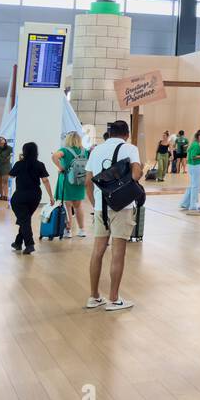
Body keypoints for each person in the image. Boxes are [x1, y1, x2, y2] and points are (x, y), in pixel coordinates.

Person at [85, 120, 144, 312]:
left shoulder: (96, 150)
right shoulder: (130, 148)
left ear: (109, 133)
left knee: (98, 251)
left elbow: (87, 181)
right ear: (127, 133)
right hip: (122, 206)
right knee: (118, 252)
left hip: (101, 207)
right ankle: (113, 298)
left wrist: (95, 205)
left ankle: (94, 296)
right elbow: (135, 175)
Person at [9, 142, 53, 255]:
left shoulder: (19, 164)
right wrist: (51, 197)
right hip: (35, 196)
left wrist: (19, 161)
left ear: (24, 152)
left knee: (24, 220)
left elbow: (11, 176)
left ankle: (29, 244)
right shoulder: (40, 164)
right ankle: (18, 243)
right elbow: (45, 181)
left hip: (20, 197)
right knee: (25, 219)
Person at [52, 131, 89, 238]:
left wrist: (60, 167)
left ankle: (68, 231)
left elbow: (54, 156)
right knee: (78, 206)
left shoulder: (64, 150)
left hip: (67, 180)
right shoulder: (84, 151)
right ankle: (82, 230)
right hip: (80, 180)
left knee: (66, 205)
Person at [179, 128, 200, 210]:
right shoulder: (195, 145)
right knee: (195, 186)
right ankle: (193, 205)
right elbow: (193, 157)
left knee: (192, 185)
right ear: (199, 136)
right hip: (195, 166)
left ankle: (185, 203)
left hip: (192, 166)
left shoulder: (193, 144)